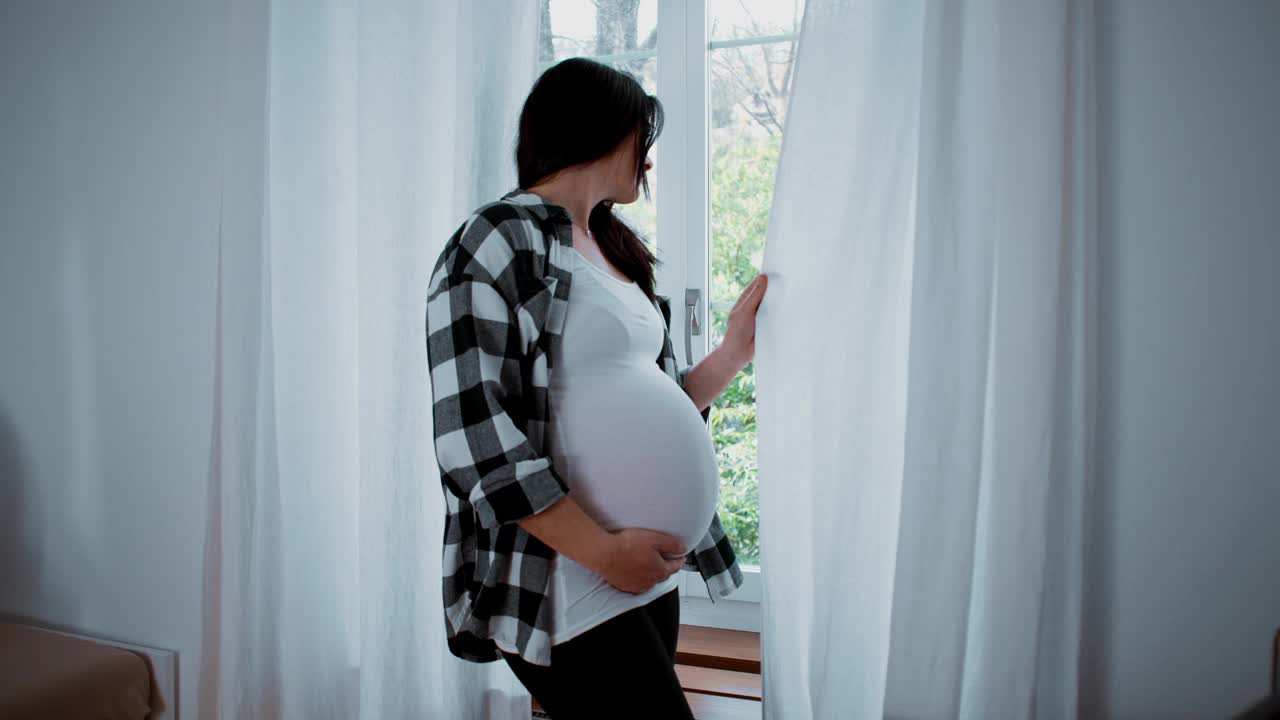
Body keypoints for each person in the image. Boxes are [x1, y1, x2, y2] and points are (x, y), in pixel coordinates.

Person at [425, 57, 768, 719]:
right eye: (644, 136)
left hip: (642, 573)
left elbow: (654, 396)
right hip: (566, 573)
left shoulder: (610, 246)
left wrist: (733, 353)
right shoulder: (495, 238)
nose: (648, 158)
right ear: (601, 129)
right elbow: (472, 436)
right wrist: (605, 552)